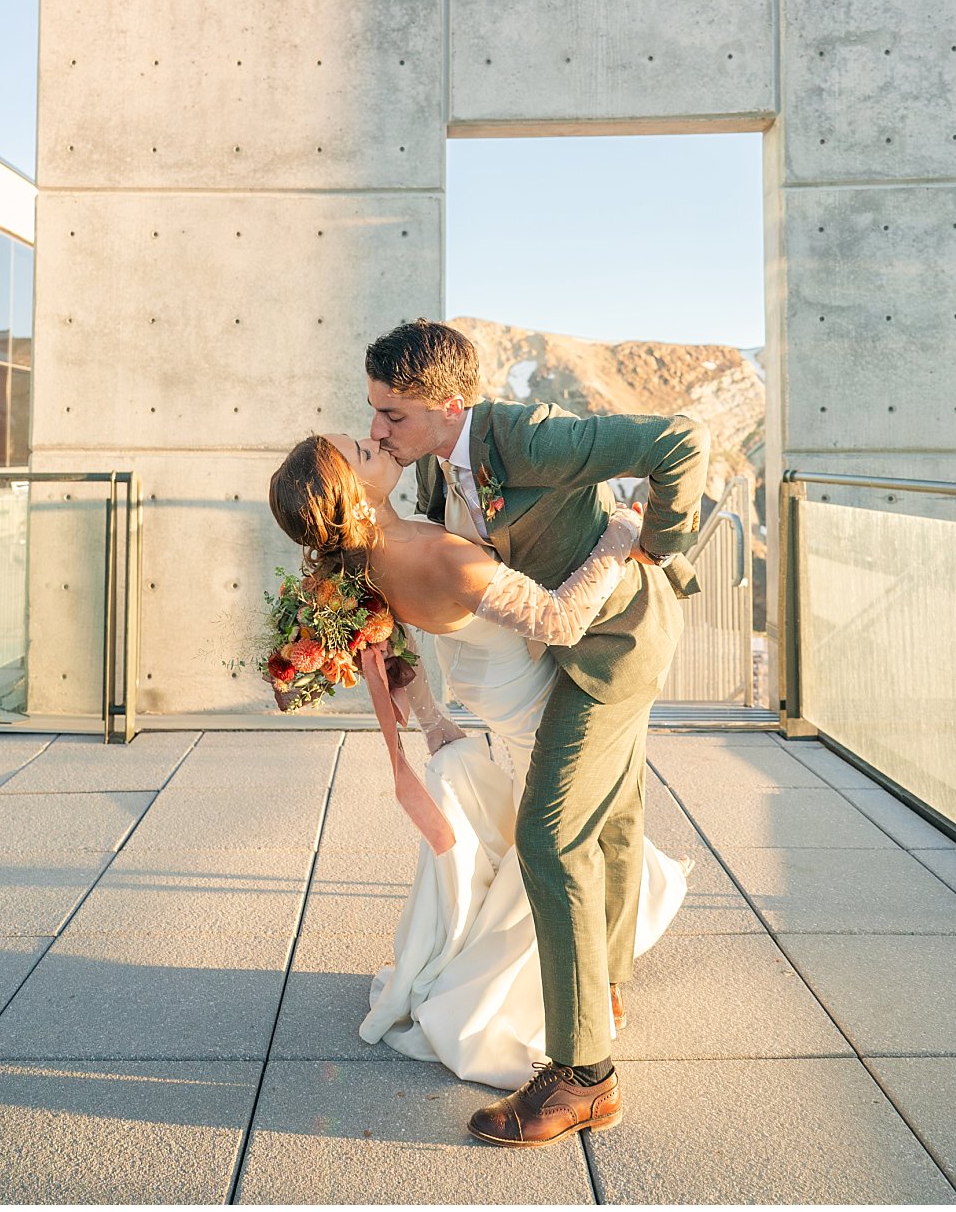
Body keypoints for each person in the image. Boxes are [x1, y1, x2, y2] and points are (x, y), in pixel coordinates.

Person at [268, 429, 691, 1092]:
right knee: (558, 847)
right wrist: (620, 535)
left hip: (492, 697)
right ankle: (564, 1002)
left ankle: (601, 981)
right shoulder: (430, 552)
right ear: (351, 492)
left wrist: (435, 724)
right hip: (532, 705)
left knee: (590, 827)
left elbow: (395, 651)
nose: (369, 436)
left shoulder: (369, 559)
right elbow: (556, 621)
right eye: (357, 449)